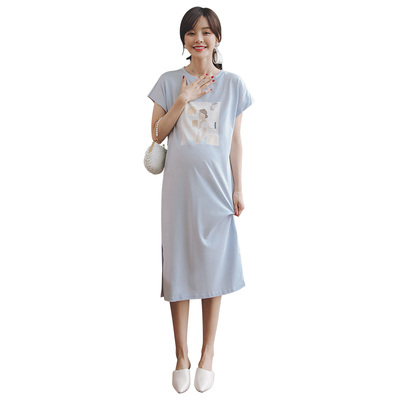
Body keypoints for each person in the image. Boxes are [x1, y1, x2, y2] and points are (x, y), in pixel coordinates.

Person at [148, 6, 253, 393]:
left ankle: (208, 353)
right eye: (192, 32)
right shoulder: (168, 81)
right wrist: (184, 98)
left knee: (213, 267)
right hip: (179, 192)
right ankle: (181, 355)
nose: (199, 39)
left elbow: (235, 141)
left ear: (217, 39)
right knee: (178, 265)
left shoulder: (234, 85)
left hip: (216, 191)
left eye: (207, 32)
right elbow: (157, 134)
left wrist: (238, 187)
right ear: (183, 40)